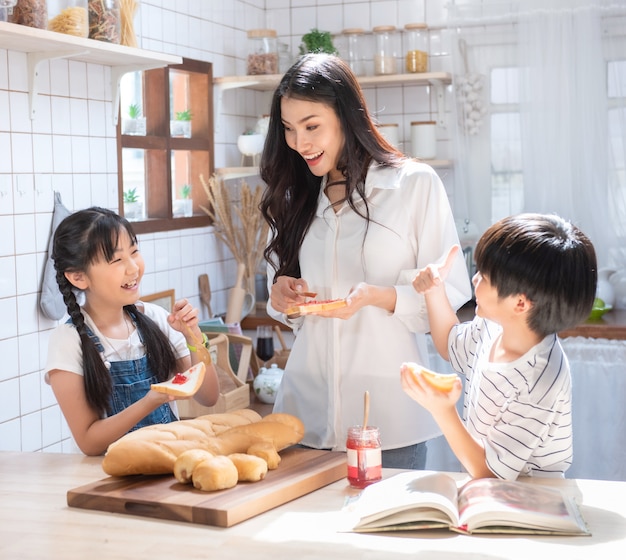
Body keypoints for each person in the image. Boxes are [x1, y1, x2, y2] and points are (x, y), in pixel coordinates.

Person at [259, 53, 472, 469]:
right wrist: (280, 295)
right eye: (288, 129)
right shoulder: (293, 195)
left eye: (312, 126)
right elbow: (288, 307)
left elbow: (448, 295)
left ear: (345, 115)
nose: (299, 143)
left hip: (390, 418)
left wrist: (381, 296)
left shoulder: (412, 185)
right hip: (305, 415)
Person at [401, 213, 597, 480]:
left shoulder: (540, 379)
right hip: (491, 490)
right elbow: (449, 343)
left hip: (533, 503)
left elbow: (489, 470)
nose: (474, 280)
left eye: (484, 276)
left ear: (520, 304)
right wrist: (435, 291)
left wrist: (442, 409)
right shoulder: (494, 326)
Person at [45, 207, 220, 456]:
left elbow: (209, 396)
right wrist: (152, 399)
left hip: (169, 466)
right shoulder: (68, 341)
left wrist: (194, 337)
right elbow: (89, 442)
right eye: (117, 260)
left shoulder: (156, 319)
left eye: (134, 251)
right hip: (108, 478)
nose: (133, 268)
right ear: (78, 277)